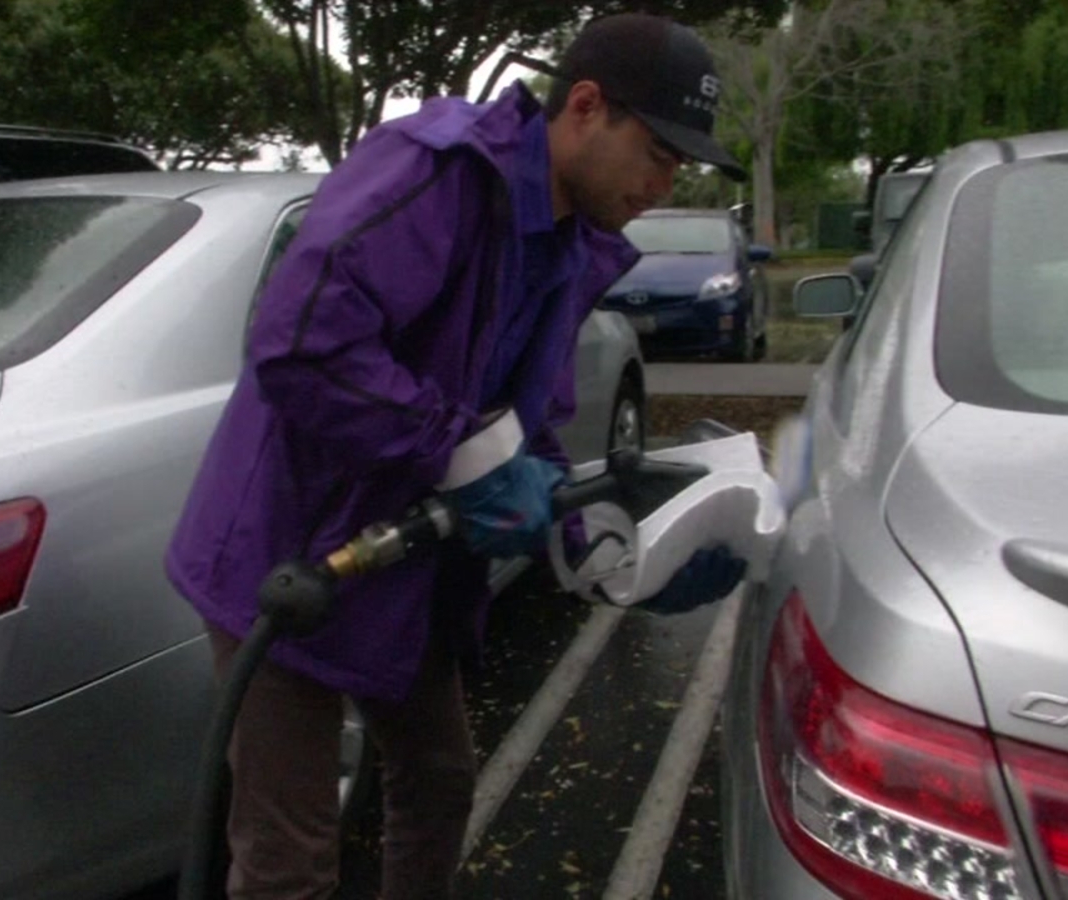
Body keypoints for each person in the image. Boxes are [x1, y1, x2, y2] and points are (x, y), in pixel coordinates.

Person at [164, 12, 747, 899]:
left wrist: (604, 549)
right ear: (585, 106)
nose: (665, 185)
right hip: (285, 555)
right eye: (659, 154)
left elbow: (525, 427)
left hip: (403, 565)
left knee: (437, 784)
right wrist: (458, 452)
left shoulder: (566, 241)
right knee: (290, 858)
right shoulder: (434, 173)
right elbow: (302, 344)